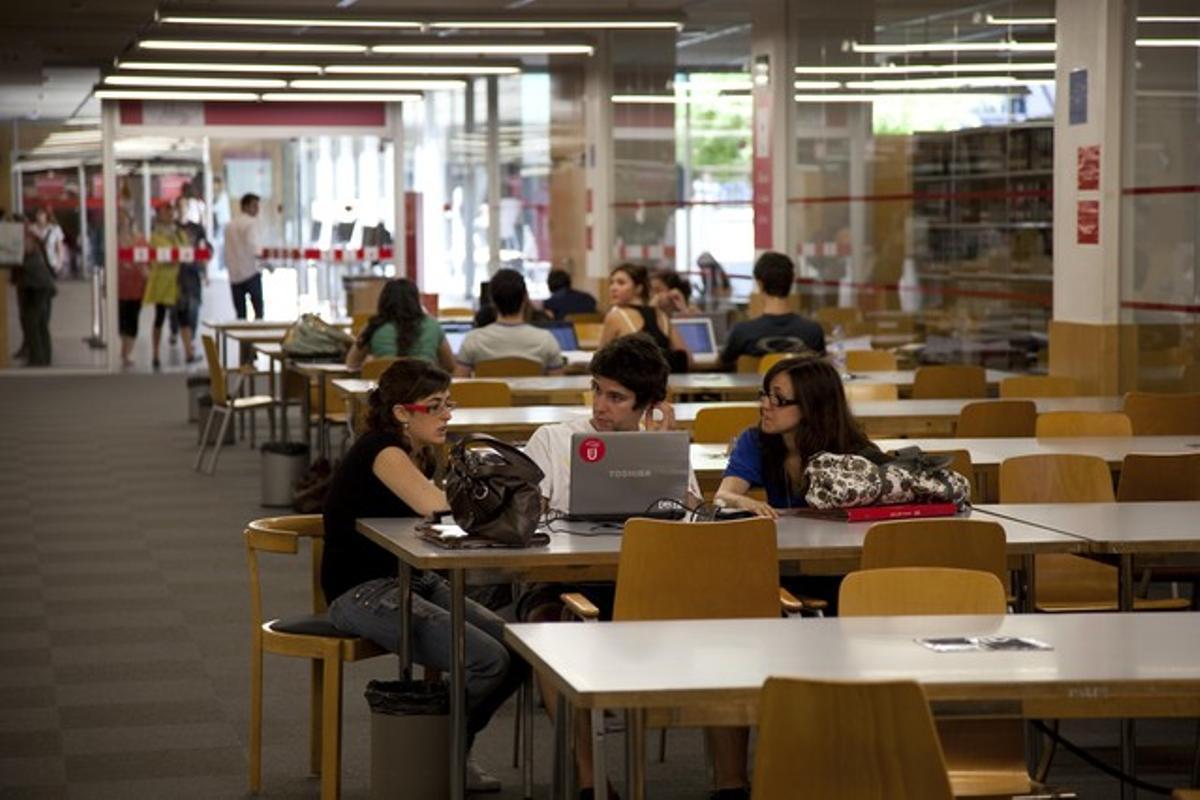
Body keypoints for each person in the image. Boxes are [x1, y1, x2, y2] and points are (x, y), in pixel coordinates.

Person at [522, 335, 740, 800]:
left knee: (730, 627)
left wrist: (662, 451)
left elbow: (693, 521)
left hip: (655, 586)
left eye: (616, 398)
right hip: (568, 585)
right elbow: (526, 523)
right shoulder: (553, 439)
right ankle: (591, 782)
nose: (601, 405)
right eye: (597, 390)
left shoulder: (661, 448)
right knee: (547, 628)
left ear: (648, 405)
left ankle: (731, 784)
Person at [322, 358, 522, 793]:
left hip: (410, 578)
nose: (447, 414)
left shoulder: (417, 449)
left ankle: (451, 750)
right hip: (362, 592)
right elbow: (440, 506)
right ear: (401, 413)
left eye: (448, 403)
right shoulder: (383, 450)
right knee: (488, 659)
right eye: (435, 406)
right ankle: (439, 754)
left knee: (521, 650)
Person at [715, 355, 881, 517]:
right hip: (780, 541)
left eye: (778, 399)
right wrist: (741, 502)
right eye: (765, 394)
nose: (765, 405)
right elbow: (723, 496)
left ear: (811, 406)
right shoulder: (756, 441)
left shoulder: (854, 455)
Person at [719, 251, 825, 369]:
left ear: (760, 284)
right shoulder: (813, 332)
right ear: (791, 282)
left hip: (755, 388)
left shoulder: (742, 332)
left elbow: (723, 363)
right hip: (799, 388)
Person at [455, 268, 562, 376]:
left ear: (492, 300)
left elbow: (459, 385)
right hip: (531, 393)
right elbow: (558, 386)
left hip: (490, 393)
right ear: (525, 298)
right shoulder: (546, 340)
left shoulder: (473, 339)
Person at [346, 277, 455, 372]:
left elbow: (352, 363)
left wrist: (372, 363)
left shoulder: (373, 326)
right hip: (424, 392)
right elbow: (449, 365)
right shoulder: (432, 326)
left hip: (385, 392)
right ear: (416, 300)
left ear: (384, 300)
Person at [598, 263, 691, 372]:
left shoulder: (616, 316)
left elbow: (599, 362)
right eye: (612, 283)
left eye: (621, 283)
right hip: (665, 385)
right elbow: (688, 360)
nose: (613, 288)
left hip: (633, 385)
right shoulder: (662, 316)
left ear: (639, 288)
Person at [143, 201, 189, 371]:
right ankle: (155, 354)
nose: (170, 214)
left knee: (184, 316)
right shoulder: (156, 235)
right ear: (159, 214)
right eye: (166, 211)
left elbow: (185, 251)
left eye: (171, 210)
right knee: (159, 317)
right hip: (162, 281)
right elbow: (166, 253)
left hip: (178, 280)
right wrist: (175, 254)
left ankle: (189, 352)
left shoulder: (179, 232)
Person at [15, 218, 56, 366]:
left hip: (38, 286)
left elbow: (23, 255)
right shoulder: (30, 237)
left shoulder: (28, 238)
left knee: (33, 322)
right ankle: (43, 358)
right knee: (39, 323)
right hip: (37, 285)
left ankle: (39, 359)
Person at [173, 196, 208, 364]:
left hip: (193, 273)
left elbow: (205, 249)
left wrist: (205, 272)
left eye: (185, 206)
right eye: (180, 206)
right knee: (179, 309)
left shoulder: (197, 229)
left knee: (194, 306)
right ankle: (182, 339)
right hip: (175, 274)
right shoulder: (173, 229)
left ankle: (190, 341)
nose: (182, 210)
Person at [224, 193, 265, 319]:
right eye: (254, 206)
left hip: (234, 275)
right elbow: (255, 248)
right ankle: (259, 336)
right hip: (251, 272)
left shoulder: (229, 225)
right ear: (245, 207)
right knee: (258, 312)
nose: (257, 209)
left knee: (240, 315)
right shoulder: (251, 223)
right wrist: (266, 261)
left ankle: (243, 339)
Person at [116, 212, 147, 369]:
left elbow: (147, 262)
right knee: (121, 320)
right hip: (120, 287)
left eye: (126, 221)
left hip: (136, 286)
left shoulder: (140, 240)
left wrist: (145, 272)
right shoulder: (114, 241)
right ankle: (124, 346)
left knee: (132, 319)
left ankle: (128, 351)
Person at [31, 207, 65, 278]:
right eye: (37, 214)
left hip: (51, 263)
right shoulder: (32, 228)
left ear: (46, 215)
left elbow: (59, 248)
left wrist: (59, 263)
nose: (39, 216)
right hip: (36, 264)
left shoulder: (55, 229)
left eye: (41, 214)